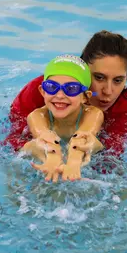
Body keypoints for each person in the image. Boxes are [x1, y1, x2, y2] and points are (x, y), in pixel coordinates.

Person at [3, 30, 127, 158]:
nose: (108, 91)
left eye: (118, 80)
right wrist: (29, 148)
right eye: (99, 77)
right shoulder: (42, 90)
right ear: (82, 70)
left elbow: (113, 155)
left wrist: (96, 148)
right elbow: (12, 142)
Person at [21, 54, 104, 182]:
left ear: (85, 97)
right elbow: (45, 138)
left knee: (95, 145)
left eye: (71, 89)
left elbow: (83, 137)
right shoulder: (37, 116)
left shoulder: (93, 114)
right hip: (43, 153)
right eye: (52, 87)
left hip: (81, 151)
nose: (59, 95)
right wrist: (53, 159)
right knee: (30, 147)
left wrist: (74, 162)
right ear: (43, 91)